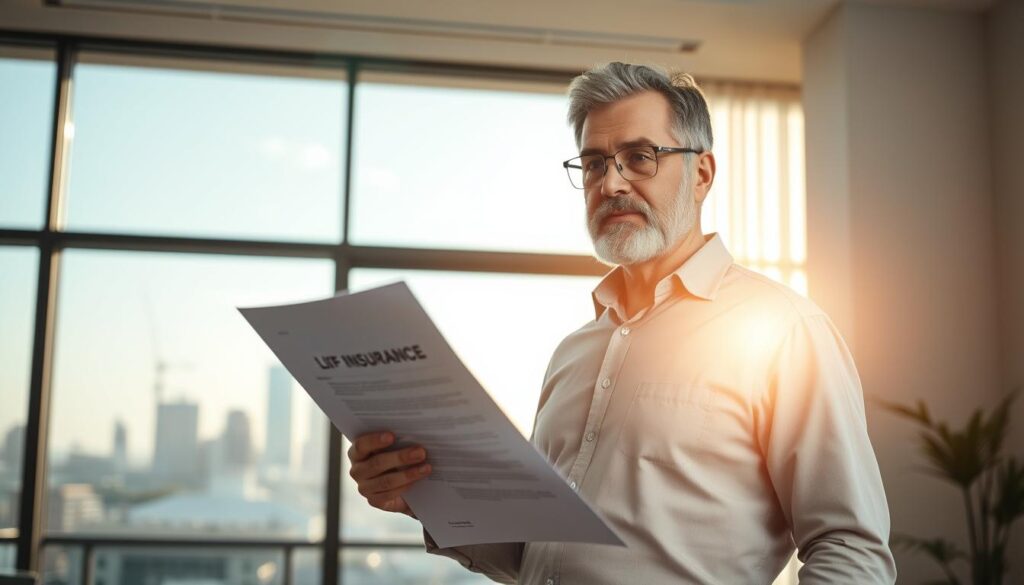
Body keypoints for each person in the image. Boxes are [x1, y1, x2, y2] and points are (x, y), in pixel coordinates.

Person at [346, 62, 897, 584]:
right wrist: (422, 496)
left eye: (639, 157)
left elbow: (850, 546)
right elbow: (539, 552)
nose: (610, 184)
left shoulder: (783, 329)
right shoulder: (573, 352)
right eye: (593, 163)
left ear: (701, 173)